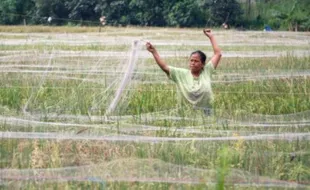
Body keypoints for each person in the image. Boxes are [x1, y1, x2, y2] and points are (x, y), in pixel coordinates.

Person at [146, 29, 222, 115]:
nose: (193, 63)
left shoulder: (207, 71)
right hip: (185, 114)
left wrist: (211, 36)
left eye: (196, 61)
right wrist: (154, 52)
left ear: (203, 64)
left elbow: (218, 54)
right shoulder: (181, 74)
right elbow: (164, 67)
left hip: (206, 114)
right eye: (191, 60)